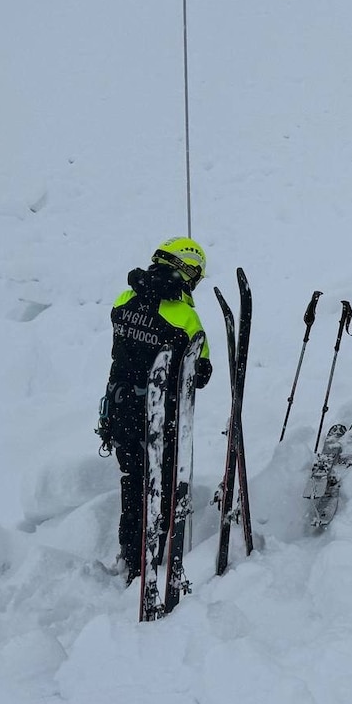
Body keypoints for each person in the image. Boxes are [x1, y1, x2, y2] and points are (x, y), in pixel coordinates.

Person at [98, 238, 213, 578]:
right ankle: (153, 555)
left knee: (132, 482)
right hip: (158, 418)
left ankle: (129, 554)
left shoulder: (124, 299)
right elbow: (201, 372)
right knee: (158, 486)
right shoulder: (185, 318)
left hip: (118, 408)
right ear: (186, 271)